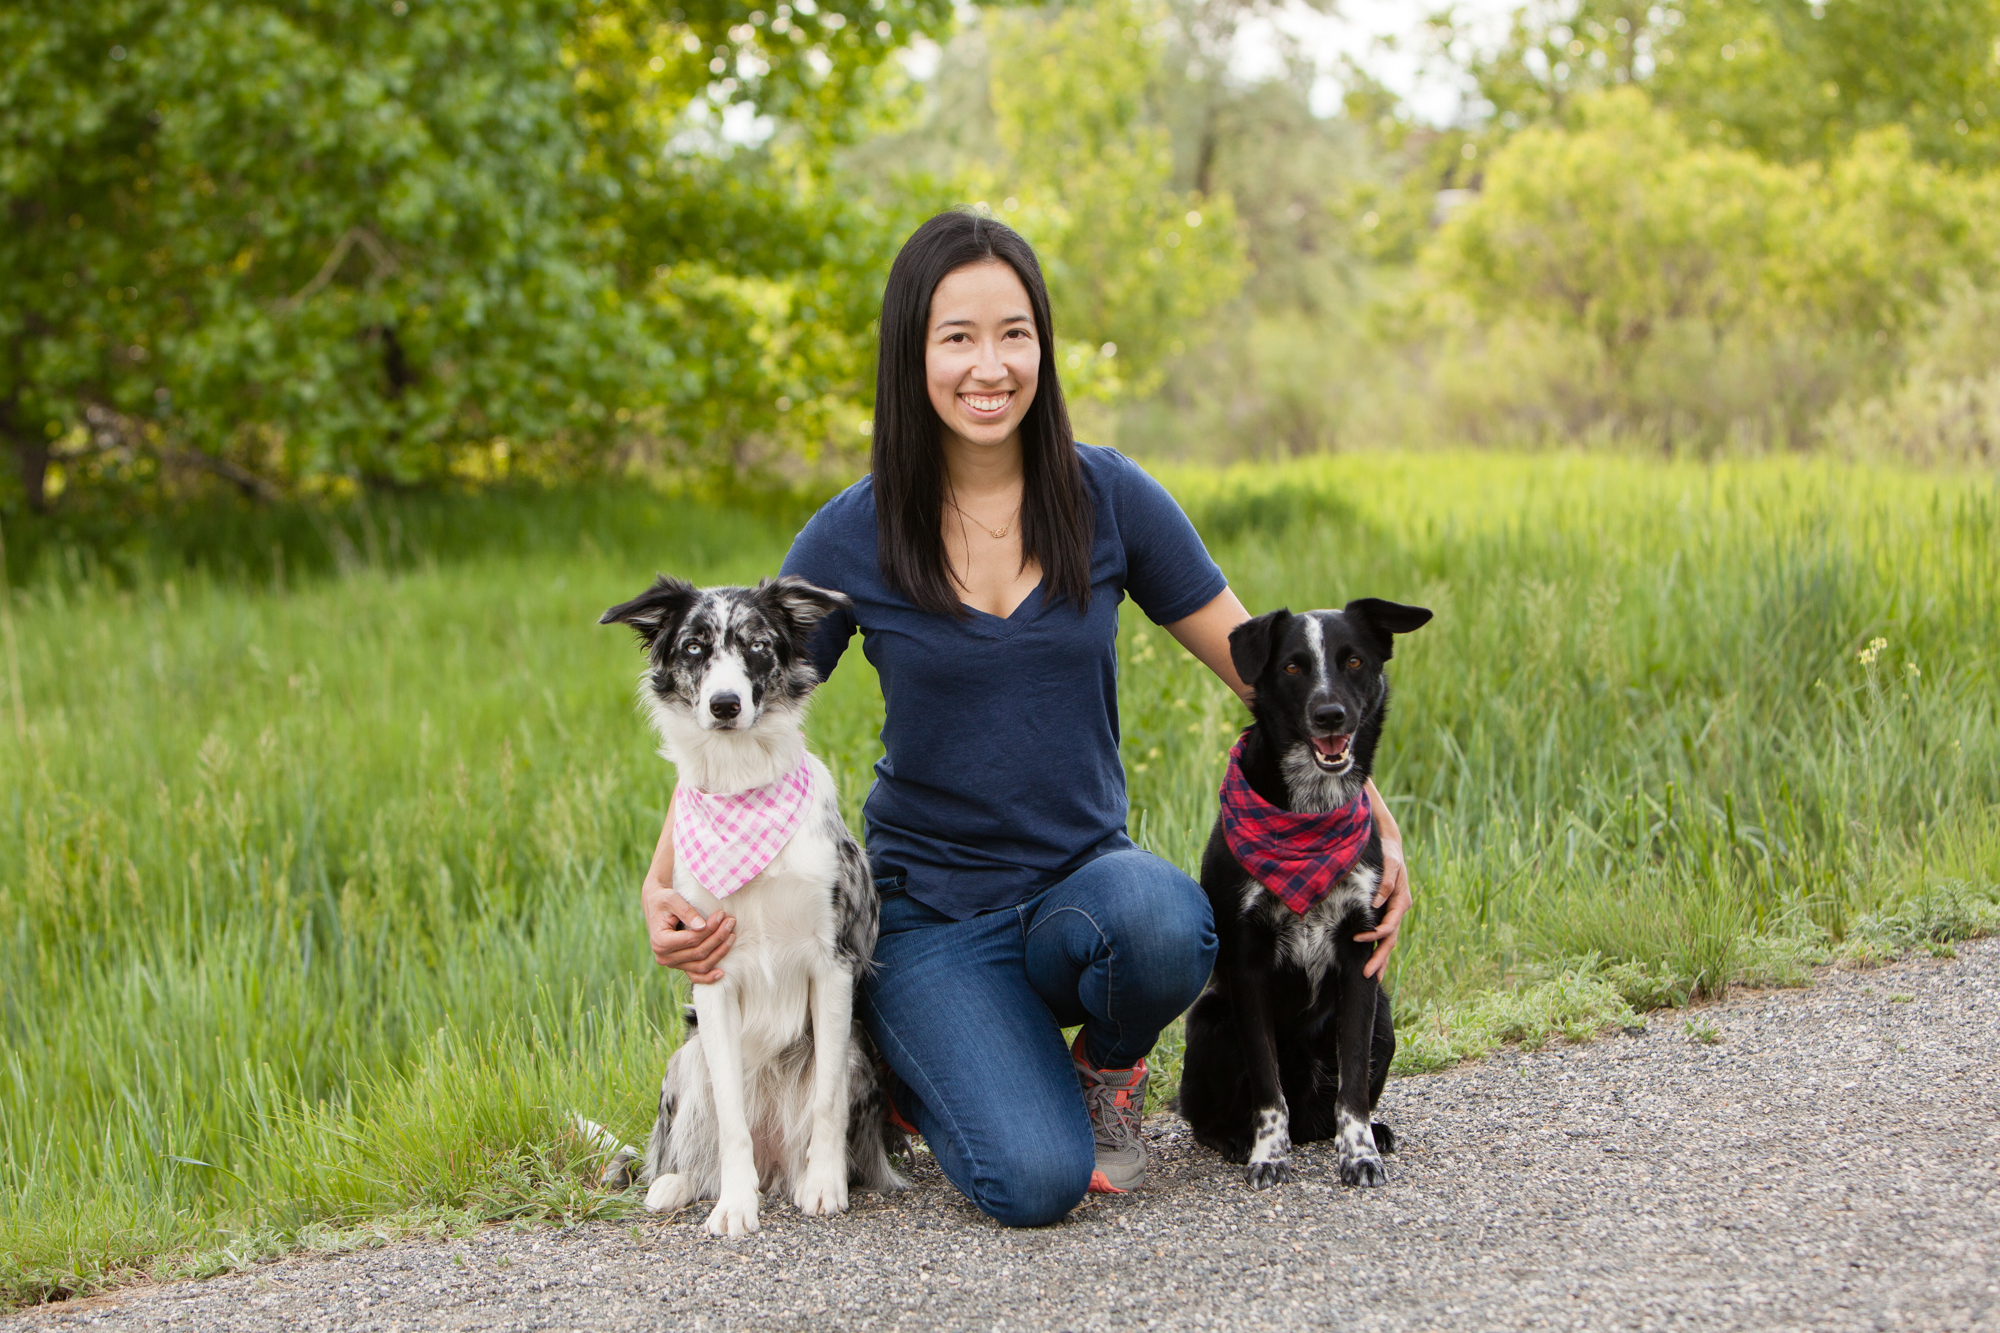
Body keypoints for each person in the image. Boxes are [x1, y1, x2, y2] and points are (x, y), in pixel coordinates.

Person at [636, 210, 1412, 1227]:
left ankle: (1103, 1069)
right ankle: (929, 1061)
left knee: (1169, 923)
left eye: (1014, 333)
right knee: (1036, 1181)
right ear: (911, 353)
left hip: (1083, 893)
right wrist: (662, 883)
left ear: (1043, 345)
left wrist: (1371, 825)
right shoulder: (853, 533)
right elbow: (735, 708)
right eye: (956, 336)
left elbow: (1265, 677)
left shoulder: (1110, 496)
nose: (989, 366)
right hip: (932, 919)